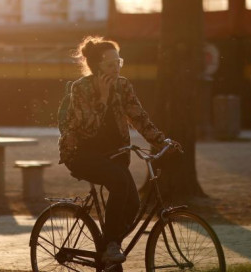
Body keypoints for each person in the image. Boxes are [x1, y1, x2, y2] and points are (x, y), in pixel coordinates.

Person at [59, 36, 179, 265]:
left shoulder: (123, 85)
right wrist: (103, 99)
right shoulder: (81, 88)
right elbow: (86, 129)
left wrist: (162, 140)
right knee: (119, 183)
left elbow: (138, 117)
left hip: (114, 155)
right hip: (83, 154)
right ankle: (112, 246)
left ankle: (107, 249)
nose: (116, 69)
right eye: (110, 65)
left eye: (118, 63)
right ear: (96, 67)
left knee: (132, 204)